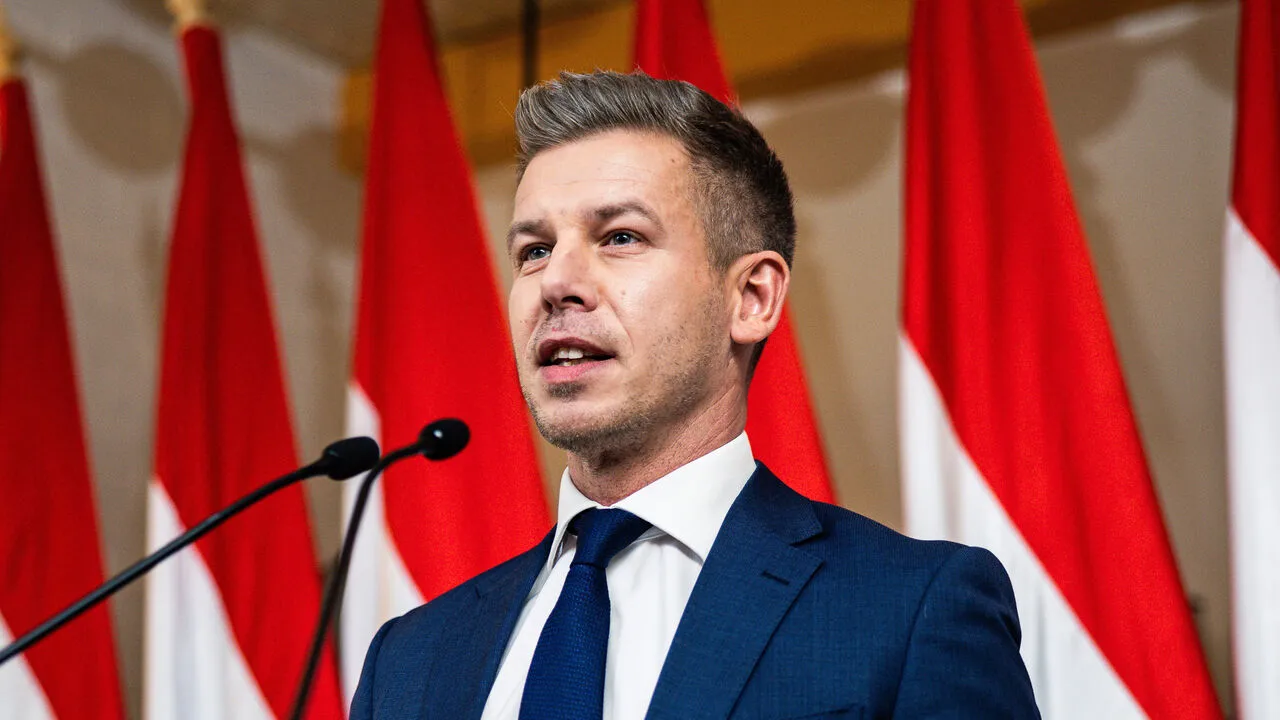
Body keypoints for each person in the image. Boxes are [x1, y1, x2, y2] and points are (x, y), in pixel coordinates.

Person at [350, 70, 1039, 719]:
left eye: (620, 237)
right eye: (534, 250)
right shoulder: (409, 659)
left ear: (752, 297)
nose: (555, 283)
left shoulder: (911, 608)